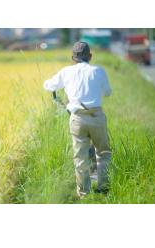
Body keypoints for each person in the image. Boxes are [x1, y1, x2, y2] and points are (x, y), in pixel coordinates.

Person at [43, 41, 112, 198]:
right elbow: (108, 92)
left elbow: (48, 85)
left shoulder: (66, 72)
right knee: (103, 152)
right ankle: (103, 188)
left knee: (80, 157)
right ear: (90, 56)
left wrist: (52, 85)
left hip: (77, 119)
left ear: (73, 58)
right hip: (96, 117)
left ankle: (84, 194)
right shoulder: (98, 71)